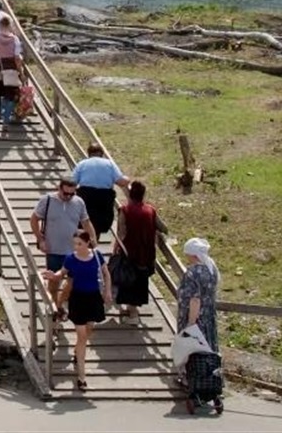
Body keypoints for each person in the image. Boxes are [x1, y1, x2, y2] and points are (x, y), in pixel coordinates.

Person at [46, 230, 112, 391]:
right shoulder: (71, 258)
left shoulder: (97, 255)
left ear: (88, 243)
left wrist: (107, 291)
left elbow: (106, 273)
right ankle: (82, 377)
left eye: (79, 244)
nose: (76, 247)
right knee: (81, 335)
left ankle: (77, 351)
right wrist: (53, 275)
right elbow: (62, 273)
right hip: (77, 299)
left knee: (89, 331)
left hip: (93, 298)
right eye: (74, 243)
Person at [30, 178, 96, 305]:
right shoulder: (47, 200)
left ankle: (59, 303)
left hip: (74, 251)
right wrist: (40, 239)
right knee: (54, 284)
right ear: (59, 189)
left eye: (72, 194)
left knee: (74, 282)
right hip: (54, 250)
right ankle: (55, 309)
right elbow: (34, 220)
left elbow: (86, 222)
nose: (69, 197)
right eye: (66, 193)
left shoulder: (79, 202)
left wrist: (92, 240)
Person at [114, 180, 167, 323]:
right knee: (140, 283)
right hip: (147, 253)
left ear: (130, 195)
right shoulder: (150, 210)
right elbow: (163, 227)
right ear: (143, 195)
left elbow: (121, 233)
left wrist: (115, 251)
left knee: (129, 282)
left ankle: (133, 315)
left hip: (130, 253)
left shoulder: (125, 210)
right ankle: (132, 310)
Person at [72, 143, 130, 237]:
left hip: (86, 197)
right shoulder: (109, 164)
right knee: (98, 226)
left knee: (84, 223)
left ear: (89, 154)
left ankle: (83, 246)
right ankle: (93, 246)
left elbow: (72, 182)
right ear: (101, 154)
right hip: (103, 199)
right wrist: (128, 179)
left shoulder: (82, 164)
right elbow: (121, 182)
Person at [178, 237, 220, 354]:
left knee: (193, 351)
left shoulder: (193, 273)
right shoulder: (212, 270)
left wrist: (191, 324)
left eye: (187, 255)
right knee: (208, 348)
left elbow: (195, 300)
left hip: (195, 317)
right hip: (208, 316)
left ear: (193, 255)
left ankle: (191, 371)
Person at [0, 15, 23, 126]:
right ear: (10, 25)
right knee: (10, 94)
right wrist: (21, 73)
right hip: (11, 68)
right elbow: (17, 58)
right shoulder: (15, 39)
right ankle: (6, 119)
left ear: (0, 25)